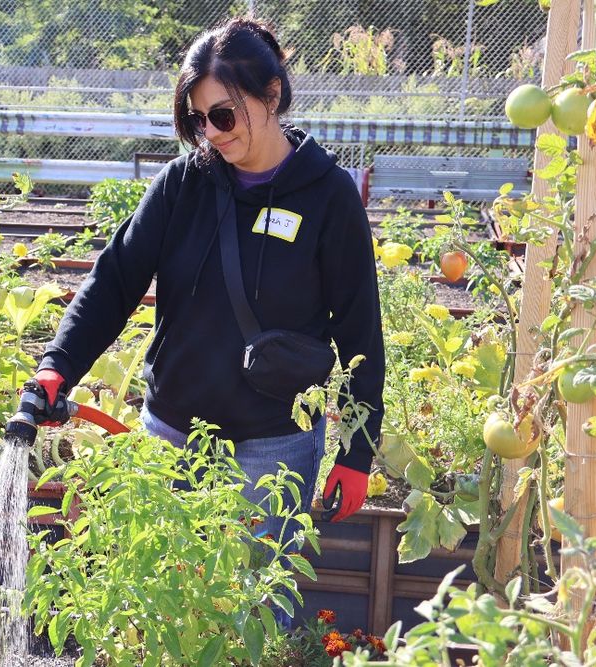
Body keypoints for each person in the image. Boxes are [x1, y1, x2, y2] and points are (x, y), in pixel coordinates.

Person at [29, 16, 385, 624]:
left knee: (251, 617)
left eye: (223, 114)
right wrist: (57, 365)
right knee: (160, 611)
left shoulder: (327, 199)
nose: (210, 133)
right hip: (171, 433)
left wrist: (358, 450)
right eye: (198, 118)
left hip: (273, 445)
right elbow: (114, 280)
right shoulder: (183, 185)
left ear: (272, 95)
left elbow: (359, 333)